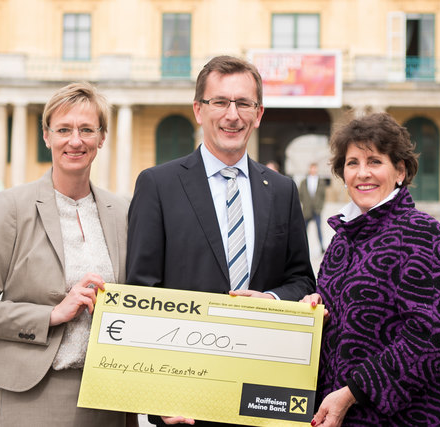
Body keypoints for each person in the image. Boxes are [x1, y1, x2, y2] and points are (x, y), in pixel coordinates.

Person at [126, 55, 316, 427]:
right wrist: (158, 398)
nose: (233, 114)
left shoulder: (281, 190)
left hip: (265, 396)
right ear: (199, 110)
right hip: (187, 403)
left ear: (258, 114)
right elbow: (141, 293)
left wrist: (272, 300)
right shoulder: (157, 185)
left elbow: (302, 280)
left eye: (244, 103)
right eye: (220, 102)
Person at [0, 82, 137, 427]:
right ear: (46, 136)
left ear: (102, 138)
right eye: (64, 129)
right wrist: (52, 315)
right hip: (37, 392)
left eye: (87, 130)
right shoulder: (13, 206)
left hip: (110, 397)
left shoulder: (123, 211)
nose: (75, 140)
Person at [303, 112, 440, 426]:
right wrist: (309, 311)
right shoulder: (341, 240)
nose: (362, 174)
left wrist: (352, 392)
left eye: (375, 161)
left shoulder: (422, 234)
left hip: (407, 418)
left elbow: (433, 337)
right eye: (352, 163)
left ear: (400, 171)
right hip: (337, 415)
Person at [299, 162, 327, 250]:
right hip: (307, 209)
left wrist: (320, 207)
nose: (313, 170)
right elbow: (300, 195)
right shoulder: (304, 181)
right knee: (304, 230)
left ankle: (321, 246)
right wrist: (305, 203)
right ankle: (301, 247)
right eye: (312, 168)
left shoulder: (321, 181)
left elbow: (323, 196)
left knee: (319, 229)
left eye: (315, 168)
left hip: (317, 209)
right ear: (309, 169)